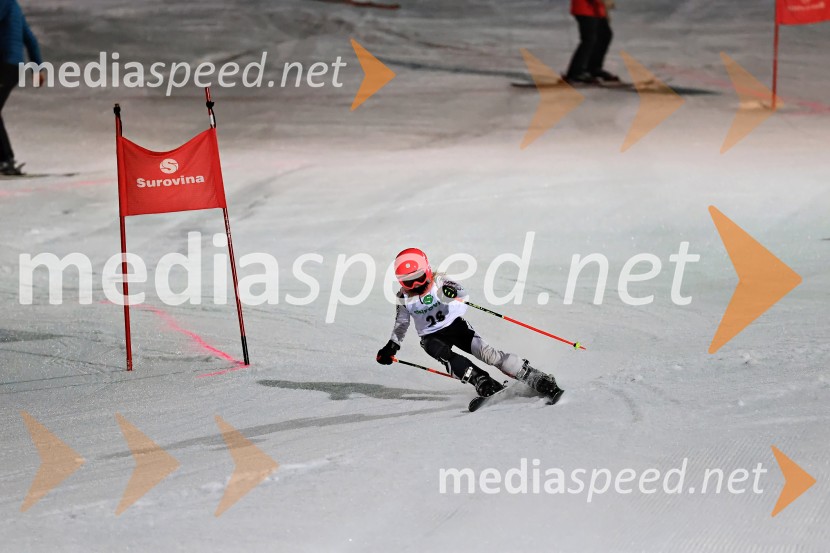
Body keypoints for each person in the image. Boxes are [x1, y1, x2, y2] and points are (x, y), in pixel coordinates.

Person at [375, 247, 564, 401]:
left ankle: (534, 376)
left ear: (428, 271)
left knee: (488, 355)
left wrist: (451, 293)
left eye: (419, 278)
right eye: (408, 282)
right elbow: (401, 323)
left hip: (455, 326)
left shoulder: (439, 281)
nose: (415, 286)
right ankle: (482, 381)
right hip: (430, 336)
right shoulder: (403, 297)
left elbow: (463, 294)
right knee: (445, 356)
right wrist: (392, 346)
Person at [0, 0, 44, 176]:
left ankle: (6, 160)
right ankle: (5, 159)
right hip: (12, 67)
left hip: (5, 65)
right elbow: (30, 38)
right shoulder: (13, 6)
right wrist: (37, 67)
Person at [565, 0, 620, 84]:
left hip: (596, 9)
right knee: (589, 39)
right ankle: (575, 72)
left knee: (605, 35)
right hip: (584, 8)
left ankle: (593, 68)